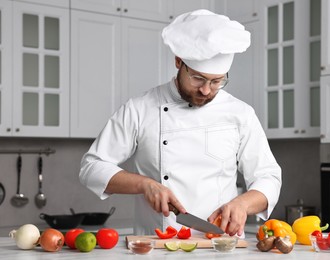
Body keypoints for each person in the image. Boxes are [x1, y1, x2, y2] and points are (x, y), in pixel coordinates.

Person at [79, 9, 282, 237]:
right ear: (178, 61)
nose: (206, 90)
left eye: (217, 81)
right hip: (158, 245)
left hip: (221, 245)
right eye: (197, 78)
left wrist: (243, 204)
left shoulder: (240, 113)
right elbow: (92, 167)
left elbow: (268, 177)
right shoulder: (140, 108)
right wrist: (145, 184)